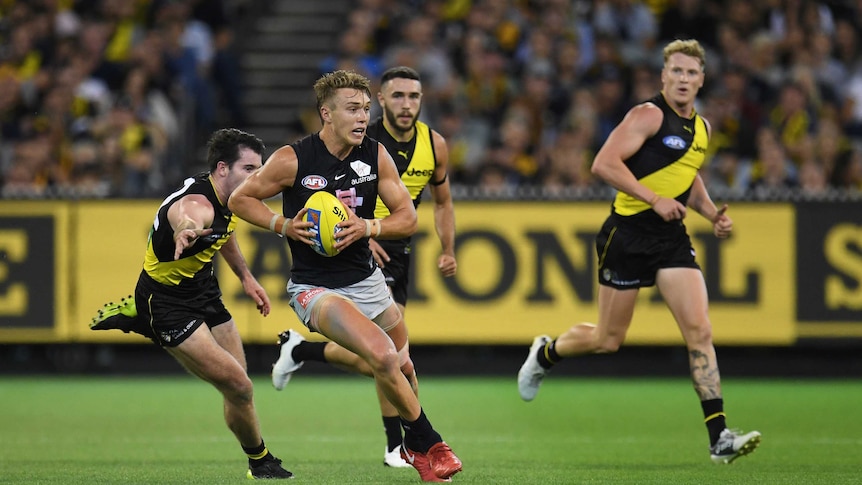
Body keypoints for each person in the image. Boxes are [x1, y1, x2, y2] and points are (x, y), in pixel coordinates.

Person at [517, 39, 762, 465]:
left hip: (670, 238)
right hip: (627, 234)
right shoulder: (647, 115)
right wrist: (652, 198)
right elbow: (604, 163)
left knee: (699, 331)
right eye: (677, 72)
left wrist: (710, 214)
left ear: (702, 80)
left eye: (691, 73)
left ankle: (719, 437)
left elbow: (688, 176)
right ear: (663, 77)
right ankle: (546, 353)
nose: (683, 79)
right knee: (607, 340)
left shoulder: (701, 128)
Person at [227, 69, 462, 483]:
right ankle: (430, 444)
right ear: (326, 114)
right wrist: (282, 225)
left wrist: (368, 227)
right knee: (384, 355)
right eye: (353, 109)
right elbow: (239, 197)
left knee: (404, 368)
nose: (361, 118)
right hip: (315, 289)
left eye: (365, 109)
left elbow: (408, 217)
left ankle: (411, 445)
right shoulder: (293, 158)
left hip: (367, 281)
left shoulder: (375, 155)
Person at [89, 128, 293, 479]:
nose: (256, 176)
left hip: (203, 288)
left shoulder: (230, 198)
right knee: (240, 387)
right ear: (222, 168)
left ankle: (258, 460)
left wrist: (245, 276)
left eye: (259, 169)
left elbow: (223, 235)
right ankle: (261, 462)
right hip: (166, 302)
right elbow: (190, 217)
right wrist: (185, 228)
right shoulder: (198, 204)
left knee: (240, 388)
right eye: (249, 168)